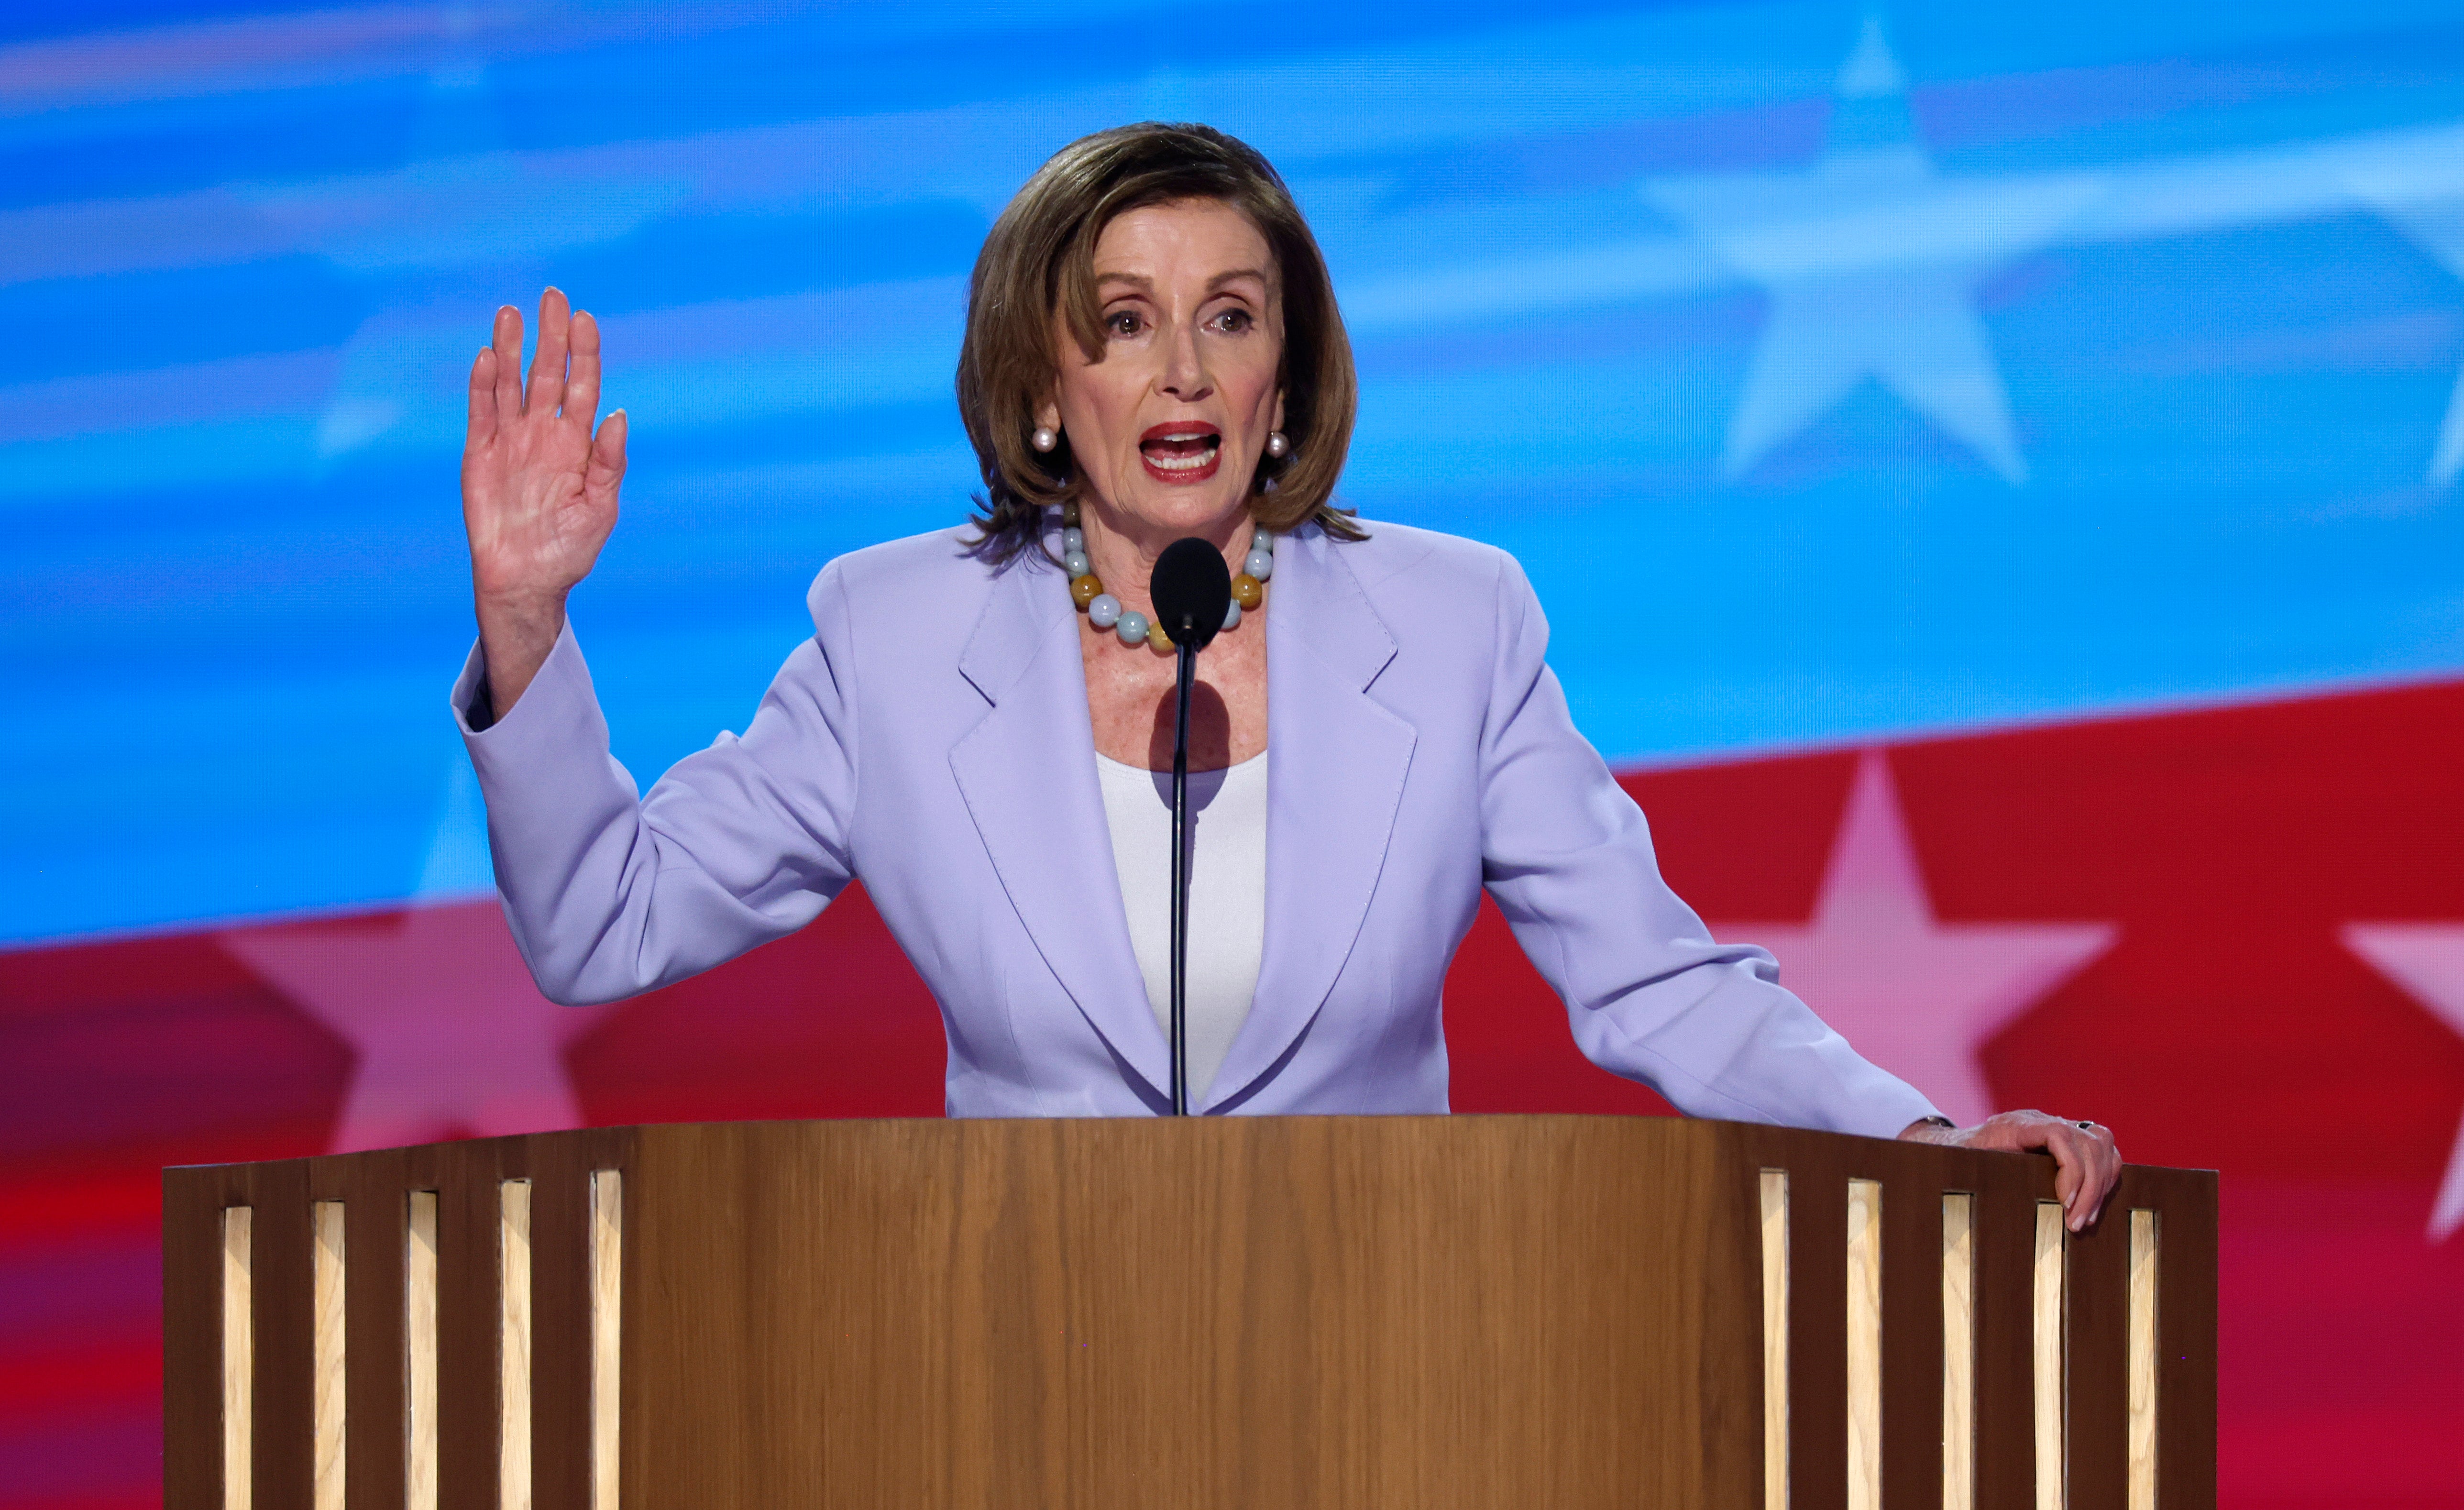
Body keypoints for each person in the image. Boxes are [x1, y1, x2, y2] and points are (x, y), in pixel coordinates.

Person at [454, 123, 2121, 1231]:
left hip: (1384, 1375)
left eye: (1230, 317)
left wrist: (1914, 1145)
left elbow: (1656, 982)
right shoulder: (892, 638)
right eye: (1121, 321)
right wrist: (525, 623)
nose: (1179, 370)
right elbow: (604, 922)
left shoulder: (1456, 620)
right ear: (1046, 384)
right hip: (1008, 1382)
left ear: (1284, 372)